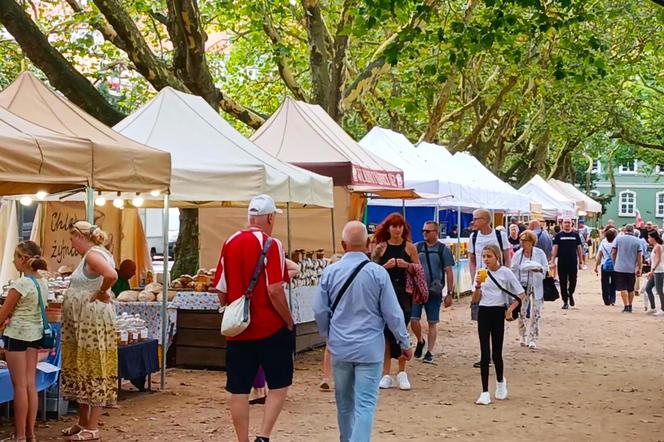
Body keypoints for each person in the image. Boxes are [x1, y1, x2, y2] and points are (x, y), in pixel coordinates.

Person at [313, 221, 413, 442]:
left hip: (340, 347)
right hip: (369, 348)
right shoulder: (378, 274)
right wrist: (404, 343)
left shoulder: (330, 272)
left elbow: (320, 309)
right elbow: (393, 313)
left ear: (342, 244)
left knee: (344, 403)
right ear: (369, 244)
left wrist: (328, 333)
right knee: (365, 404)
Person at [211, 194, 294, 442]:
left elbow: (221, 289)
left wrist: (231, 308)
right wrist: (288, 320)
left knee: (238, 388)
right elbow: (275, 289)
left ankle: (243, 440)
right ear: (270, 217)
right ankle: (264, 435)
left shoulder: (230, 241)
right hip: (270, 327)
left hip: (239, 330)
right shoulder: (273, 244)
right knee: (279, 384)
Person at [60, 221, 118, 441]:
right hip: (80, 321)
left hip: (90, 320)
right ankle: (82, 421)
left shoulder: (94, 255)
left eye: (71, 238)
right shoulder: (93, 255)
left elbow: (111, 275)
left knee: (92, 365)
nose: (71, 243)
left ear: (80, 237)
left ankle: (92, 426)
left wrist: (101, 292)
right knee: (79, 364)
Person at [0, 241, 49, 442]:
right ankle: (30, 433)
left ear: (22, 259)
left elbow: (3, 313)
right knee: (30, 383)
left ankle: (19, 435)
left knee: (19, 385)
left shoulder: (20, 284)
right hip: (35, 335)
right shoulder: (42, 281)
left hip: (17, 335)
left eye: (15, 257)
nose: (13, 261)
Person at [370, 213, 419, 390]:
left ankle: (402, 371)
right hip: (383, 293)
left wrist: (407, 266)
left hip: (403, 294)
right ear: (388, 228)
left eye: (400, 226)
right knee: (385, 333)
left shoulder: (410, 248)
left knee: (402, 330)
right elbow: (371, 271)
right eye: (394, 226)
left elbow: (418, 271)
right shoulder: (380, 248)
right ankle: (386, 373)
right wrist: (385, 266)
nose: (397, 229)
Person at [472, 244, 525, 405]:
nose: (486, 260)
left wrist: (510, 310)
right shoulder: (481, 273)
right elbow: (475, 300)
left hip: (498, 311)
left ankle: (501, 381)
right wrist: (478, 285)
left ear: (497, 256)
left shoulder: (505, 273)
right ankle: (484, 391)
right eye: (484, 256)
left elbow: (521, 293)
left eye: (489, 256)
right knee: (484, 352)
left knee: (496, 351)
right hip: (484, 311)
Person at [412, 221, 455, 364]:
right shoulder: (417, 247)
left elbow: (449, 271)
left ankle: (430, 351)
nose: (424, 233)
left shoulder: (443, 249)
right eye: (423, 230)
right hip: (417, 289)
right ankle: (420, 340)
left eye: (428, 231)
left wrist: (449, 293)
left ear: (436, 232)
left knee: (432, 322)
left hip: (434, 290)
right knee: (414, 319)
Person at [511, 230, 549, 349]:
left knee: (536, 312)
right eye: (521, 241)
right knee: (521, 312)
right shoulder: (518, 254)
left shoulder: (540, 253)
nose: (522, 243)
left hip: (537, 284)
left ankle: (533, 337)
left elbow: (546, 268)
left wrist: (539, 269)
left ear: (532, 242)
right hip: (522, 286)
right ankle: (523, 335)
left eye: (525, 241)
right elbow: (513, 271)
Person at [549, 219, 583, 310]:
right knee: (563, 282)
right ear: (562, 224)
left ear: (571, 224)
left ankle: (570, 293)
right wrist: (552, 260)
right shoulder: (558, 236)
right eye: (565, 222)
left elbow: (579, 248)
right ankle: (565, 301)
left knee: (573, 281)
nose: (567, 224)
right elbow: (555, 248)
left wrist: (581, 261)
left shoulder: (575, 235)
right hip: (562, 262)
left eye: (569, 222)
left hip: (572, 262)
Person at [611, 224, 643, 313]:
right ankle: (631, 305)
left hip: (620, 267)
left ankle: (626, 305)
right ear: (633, 231)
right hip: (631, 268)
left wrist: (614, 262)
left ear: (625, 230)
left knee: (622, 287)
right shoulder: (637, 241)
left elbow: (613, 252)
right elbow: (639, 256)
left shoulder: (618, 239)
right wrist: (639, 267)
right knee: (630, 288)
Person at [594, 228, 617, 306]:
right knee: (614, 283)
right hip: (615, 266)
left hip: (605, 265)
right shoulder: (616, 243)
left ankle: (606, 300)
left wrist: (596, 266)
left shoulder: (603, 243)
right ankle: (612, 299)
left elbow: (599, 255)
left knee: (605, 283)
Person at [644, 231, 664, 315]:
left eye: (649, 237)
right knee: (648, 288)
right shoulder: (655, 246)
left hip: (659, 271)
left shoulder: (658, 247)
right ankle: (653, 307)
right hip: (655, 271)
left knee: (659, 290)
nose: (648, 239)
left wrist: (652, 271)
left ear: (653, 238)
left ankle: (663, 309)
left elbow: (658, 259)